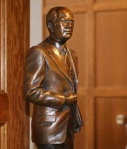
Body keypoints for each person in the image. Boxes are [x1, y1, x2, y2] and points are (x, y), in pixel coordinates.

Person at [24, 6, 83, 149]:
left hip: (67, 126)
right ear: (50, 25)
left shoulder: (72, 54)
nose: (69, 25)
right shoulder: (39, 52)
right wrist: (62, 100)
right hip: (49, 127)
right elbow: (31, 91)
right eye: (64, 21)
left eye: (71, 21)